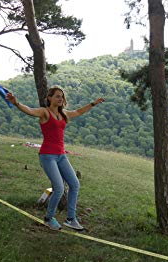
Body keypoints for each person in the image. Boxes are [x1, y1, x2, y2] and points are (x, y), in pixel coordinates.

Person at [6, 86, 104, 231]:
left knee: (75, 184)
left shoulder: (63, 114)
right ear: (49, 98)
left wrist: (93, 104)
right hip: (47, 156)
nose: (60, 99)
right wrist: (16, 103)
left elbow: (78, 112)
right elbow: (29, 110)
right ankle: (48, 218)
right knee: (58, 188)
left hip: (61, 156)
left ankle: (71, 219)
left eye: (62, 97)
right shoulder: (44, 112)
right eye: (57, 96)